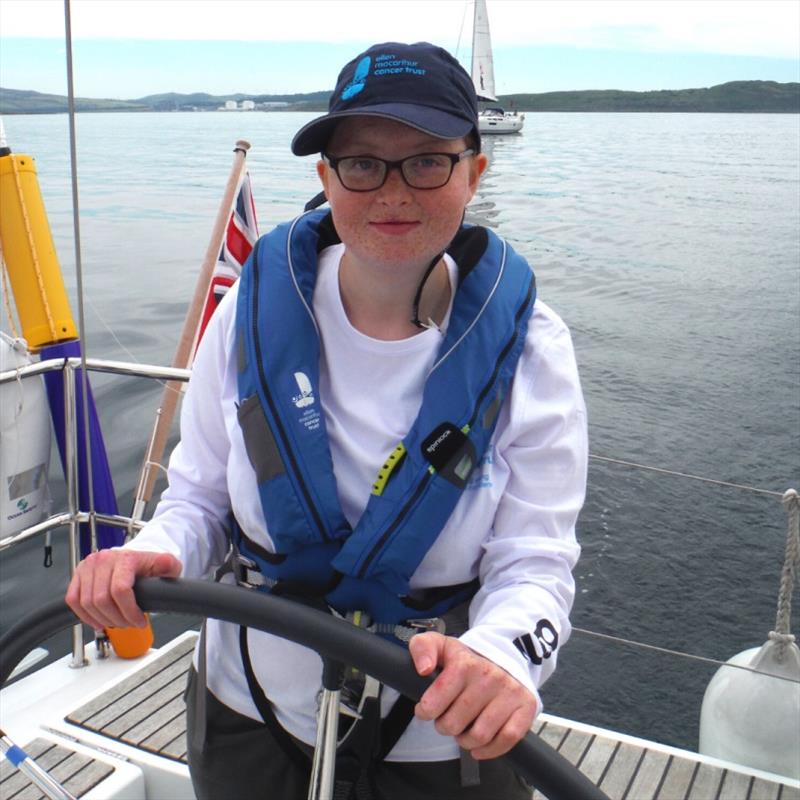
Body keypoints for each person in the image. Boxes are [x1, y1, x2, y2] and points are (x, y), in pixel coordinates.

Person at [66, 41, 587, 799]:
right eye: (363, 163)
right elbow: (198, 498)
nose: (394, 192)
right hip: (246, 714)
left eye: (428, 161)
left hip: (438, 745)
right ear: (326, 179)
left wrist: (506, 659)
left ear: (475, 170)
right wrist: (156, 550)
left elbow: (535, 561)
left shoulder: (533, 351)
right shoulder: (245, 316)